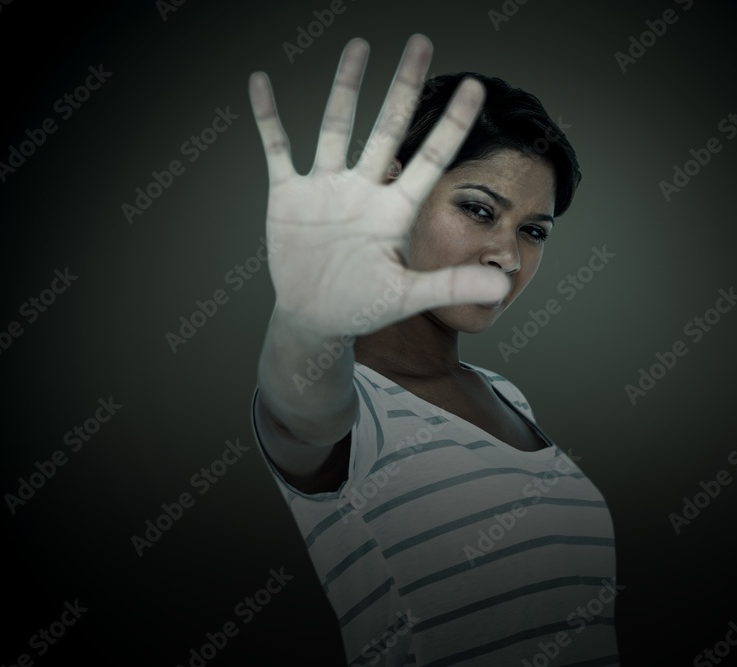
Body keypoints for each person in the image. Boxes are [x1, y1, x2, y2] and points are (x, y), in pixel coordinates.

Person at [248, 34, 619, 666]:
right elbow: (301, 408)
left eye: (533, 231)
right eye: (478, 210)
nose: (508, 255)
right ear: (395, 197)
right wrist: (305, 319)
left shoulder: (504, 395)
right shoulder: (356, 406)